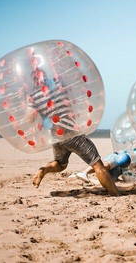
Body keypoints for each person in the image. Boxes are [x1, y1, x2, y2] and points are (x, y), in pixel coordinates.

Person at [27, 63, 119, 196]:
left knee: (60, 164)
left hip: (55, 135)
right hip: (70, 131)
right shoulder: (58, 87)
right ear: (45, 78)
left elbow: (30, 118)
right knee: (97, 165)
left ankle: (44, 170)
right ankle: (115, 194)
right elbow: (72, 81)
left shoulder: (34, 97)